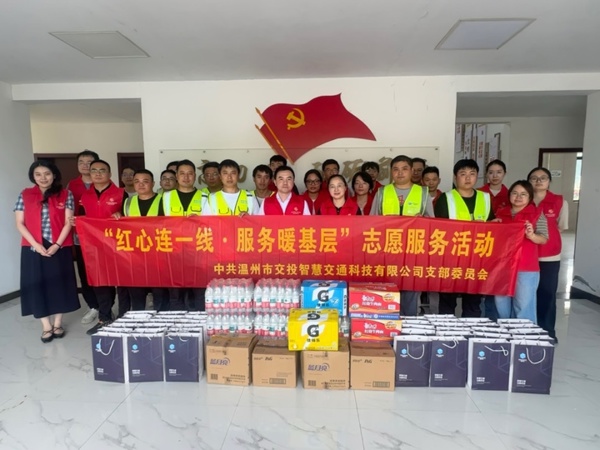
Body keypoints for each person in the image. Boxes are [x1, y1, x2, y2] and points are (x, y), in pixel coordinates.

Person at [15, 161, 80, 343]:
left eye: (47, 173)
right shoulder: (25, 194)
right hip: (32, 246)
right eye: (38, 174)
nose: (43, 178)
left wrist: (57, 244)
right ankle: (46, 325)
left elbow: (68, 222)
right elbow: (20, 223)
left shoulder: (66, 194)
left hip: (59, 246)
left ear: (54, 175)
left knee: (59, 284)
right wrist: (36, 245)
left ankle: (58, 323)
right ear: (33, 176)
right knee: (36, 285)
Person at [370, 155, 433, 316]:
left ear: (412, 171)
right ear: (391, 172)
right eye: (396, 169)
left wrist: (422, 220)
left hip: (413, 253)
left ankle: (409, 328)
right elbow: (371, 223)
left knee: (411, 295)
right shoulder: (382, 192)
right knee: (386, 295)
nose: (400, 173)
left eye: (404, 169)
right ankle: (387, 326)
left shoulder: (423, 192)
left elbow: (432, 224)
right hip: (387, 252)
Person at [435, 159, 494, 318]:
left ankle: (471, 331)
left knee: (473, 301)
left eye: (472, 174)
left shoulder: (485, 198)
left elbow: (492, 225)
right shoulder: (446, 198)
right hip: (451, 257)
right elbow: (439, 228)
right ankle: (447, 330)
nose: (468, 178)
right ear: (455, 177)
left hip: (477, 258)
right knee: (447, 300)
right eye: (463, 174)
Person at [77, 160, 127, 335]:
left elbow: (130, 217)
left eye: (102, 170)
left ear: (110, 174)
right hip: (93, 246)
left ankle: (124, 317)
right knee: (99, 282)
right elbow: (81, 218)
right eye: (94, 170)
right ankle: (104, 318)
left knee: (122, 282)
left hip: (117, 245)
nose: (98, 174)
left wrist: (121, 215)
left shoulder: (121, 193)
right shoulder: (85, 196)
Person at [494, 180, 548, 322]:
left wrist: (531, 235)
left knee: (523, 306)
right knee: (501, 304)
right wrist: (491, 226)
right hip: (502, 267)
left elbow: (543, 239)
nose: (518, 197)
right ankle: (505, 333)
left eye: (523, 194)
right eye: (515, 193)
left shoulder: (537, 214)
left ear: (530, 197)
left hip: (526, 268)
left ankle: (524, 335)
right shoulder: (500, 213)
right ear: (509, 195)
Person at [160, 159, 207, 311]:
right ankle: (177, 322)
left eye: (190, 174)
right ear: (176, 176)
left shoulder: (205, 197)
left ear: (195, 176)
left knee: (198, 292)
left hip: (198, 252)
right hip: (173, 252)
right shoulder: (166, 197)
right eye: (182, 173)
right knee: (176, 293)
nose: (186, 177)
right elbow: (157, 223)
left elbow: (212, 225)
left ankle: (198, 321)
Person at [529, 167, 569, 343]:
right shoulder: (524, 199)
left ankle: (547, 331)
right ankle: (528, 330)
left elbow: (561, 227)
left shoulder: (559, 201)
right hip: (527, 255)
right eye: (534, 178)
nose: (538, 181)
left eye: (543, 178)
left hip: (549, 255)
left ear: (549, 181)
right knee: (527, 294)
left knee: (547, 293)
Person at [121, 169, 169, 313]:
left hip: (158, 254)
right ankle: (139, 319)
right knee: (136, 292)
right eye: (137, 181)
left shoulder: (164, 200)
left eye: (145, 181)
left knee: (159, 292)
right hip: (135, 255)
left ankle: (160, 319)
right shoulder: (128, 202)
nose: (141, 185)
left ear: (153, 183)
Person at [66, 150, 100, 325]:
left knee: (102, 271)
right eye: (82, 162)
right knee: (84, 272)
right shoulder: (72, 185)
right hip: (81, 236)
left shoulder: (104, 183)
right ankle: (93, 306)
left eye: (89, 162)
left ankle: (105, 305)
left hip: (102, 237)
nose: (85, 165)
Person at [478, 159, 509, 320]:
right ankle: (483, 318)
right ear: (486, 175)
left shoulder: (511, 195)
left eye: (499, 172)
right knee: (482, 281)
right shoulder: (479, 194)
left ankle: (495, 319)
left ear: (504, 174)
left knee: (497, 281)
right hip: (481, 244)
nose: (495, 176)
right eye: (491, 172)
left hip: (503, 246)